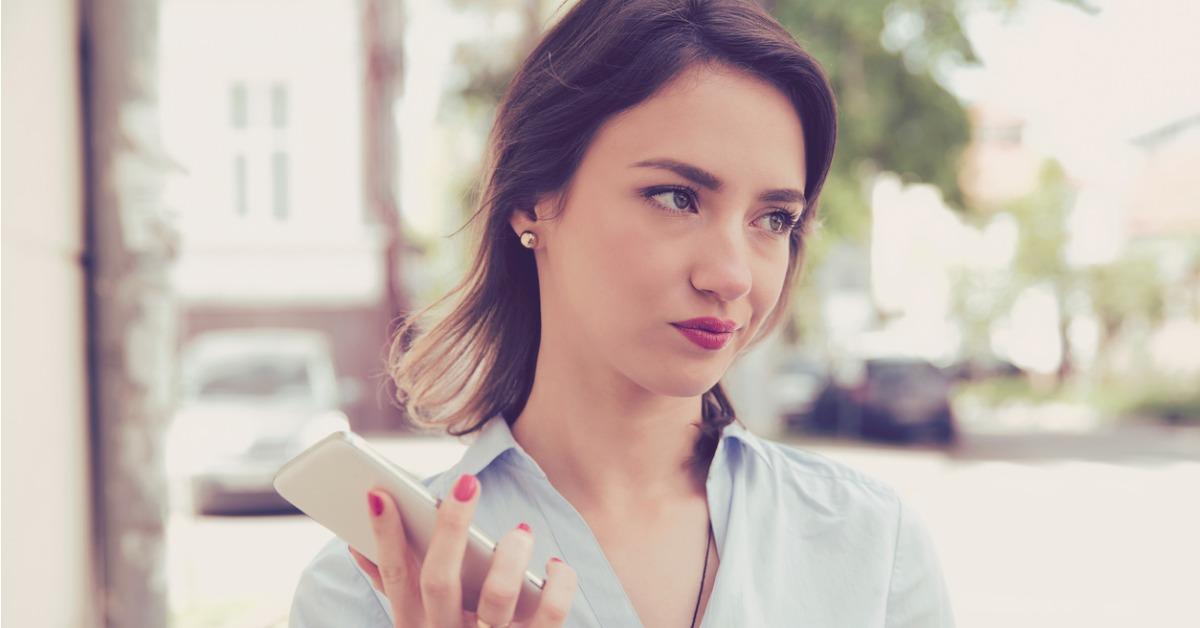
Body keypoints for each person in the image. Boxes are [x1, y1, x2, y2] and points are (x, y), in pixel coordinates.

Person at [289, 0, 955, 626]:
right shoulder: (375, 587)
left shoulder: (872, 546)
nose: (731, 275)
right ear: (533, 201)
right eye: (676, 197)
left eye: (774, 218)